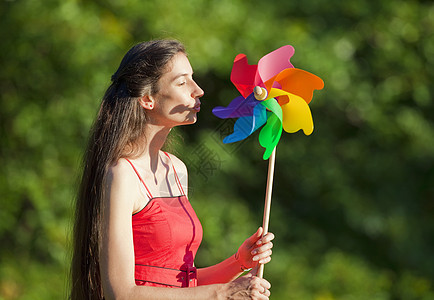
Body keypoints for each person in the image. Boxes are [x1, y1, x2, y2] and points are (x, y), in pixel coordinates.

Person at [71, 39, 275, 300]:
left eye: (193, 78)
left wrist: (239, 262)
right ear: (147, 99)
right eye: (182, 82)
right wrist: (223, 293)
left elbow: (181, 285)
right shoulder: (121, 174)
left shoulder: (176, 169)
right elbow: (121, 293)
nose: (198, 90)